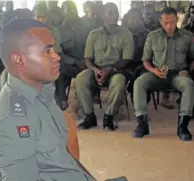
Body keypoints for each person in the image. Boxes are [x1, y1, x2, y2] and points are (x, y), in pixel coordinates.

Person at [0, 18, 96, 181]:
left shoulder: (42, 94)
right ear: (18, 60)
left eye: (54, 49)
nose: (57, 57)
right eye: (47, 51)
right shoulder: (10, 121)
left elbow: (66, 160)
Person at [133, 7, 194, 141]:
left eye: (172, 22)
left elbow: (192, 59)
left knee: (188, 84)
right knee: (139, 83)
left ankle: (183, 126)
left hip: (178, 75)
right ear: (160, 22)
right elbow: (145, 60)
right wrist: (154, 70)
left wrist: (188, 71)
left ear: (177, 20)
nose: (169, 26)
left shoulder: (187, 37)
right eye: (165, 23)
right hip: (157, 73)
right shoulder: (152, 36)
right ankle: (142, 124)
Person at [75, 3, 134, 131]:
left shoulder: (126, 34)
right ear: (103, 16)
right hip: (96, 69)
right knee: (81, 78)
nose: (115, 16)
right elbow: (87, 58)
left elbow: (127, 59)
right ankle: (89, 116)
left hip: (116, 70)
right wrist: (95, 70)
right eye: (110, 13)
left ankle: (109, 116)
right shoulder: (94, 34)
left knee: (119, 82)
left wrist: (109, 69)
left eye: (116, 12)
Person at [56, 0, 87, 111]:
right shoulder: (60, 30)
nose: (72, 12)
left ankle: (85, 105)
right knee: (57, 68)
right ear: (63, 12)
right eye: (69, 10)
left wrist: (86, 61)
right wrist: (74, 61)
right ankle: (62, 99)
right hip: (71, 65)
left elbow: (91, 46)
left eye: (74, 9)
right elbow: (60, 52)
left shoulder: (85, 26)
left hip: (86, 63)